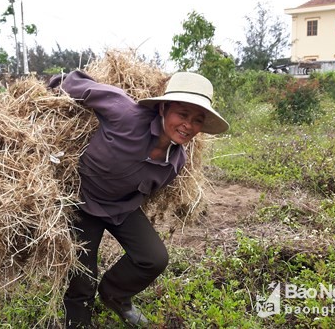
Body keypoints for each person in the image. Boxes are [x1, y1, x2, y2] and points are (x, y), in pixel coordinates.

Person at [48, 70, 229, 328]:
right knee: (83, 276)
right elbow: (74, 81)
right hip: (82, 202)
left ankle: (115, 295)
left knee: (153, 258)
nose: (189, 125)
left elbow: (146, 194)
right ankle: (78, 322)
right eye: (183, 114)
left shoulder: (176, 161)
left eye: (198, 120)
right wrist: (47, 90)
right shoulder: (124, 113)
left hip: (121, 208)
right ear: (163, 109)